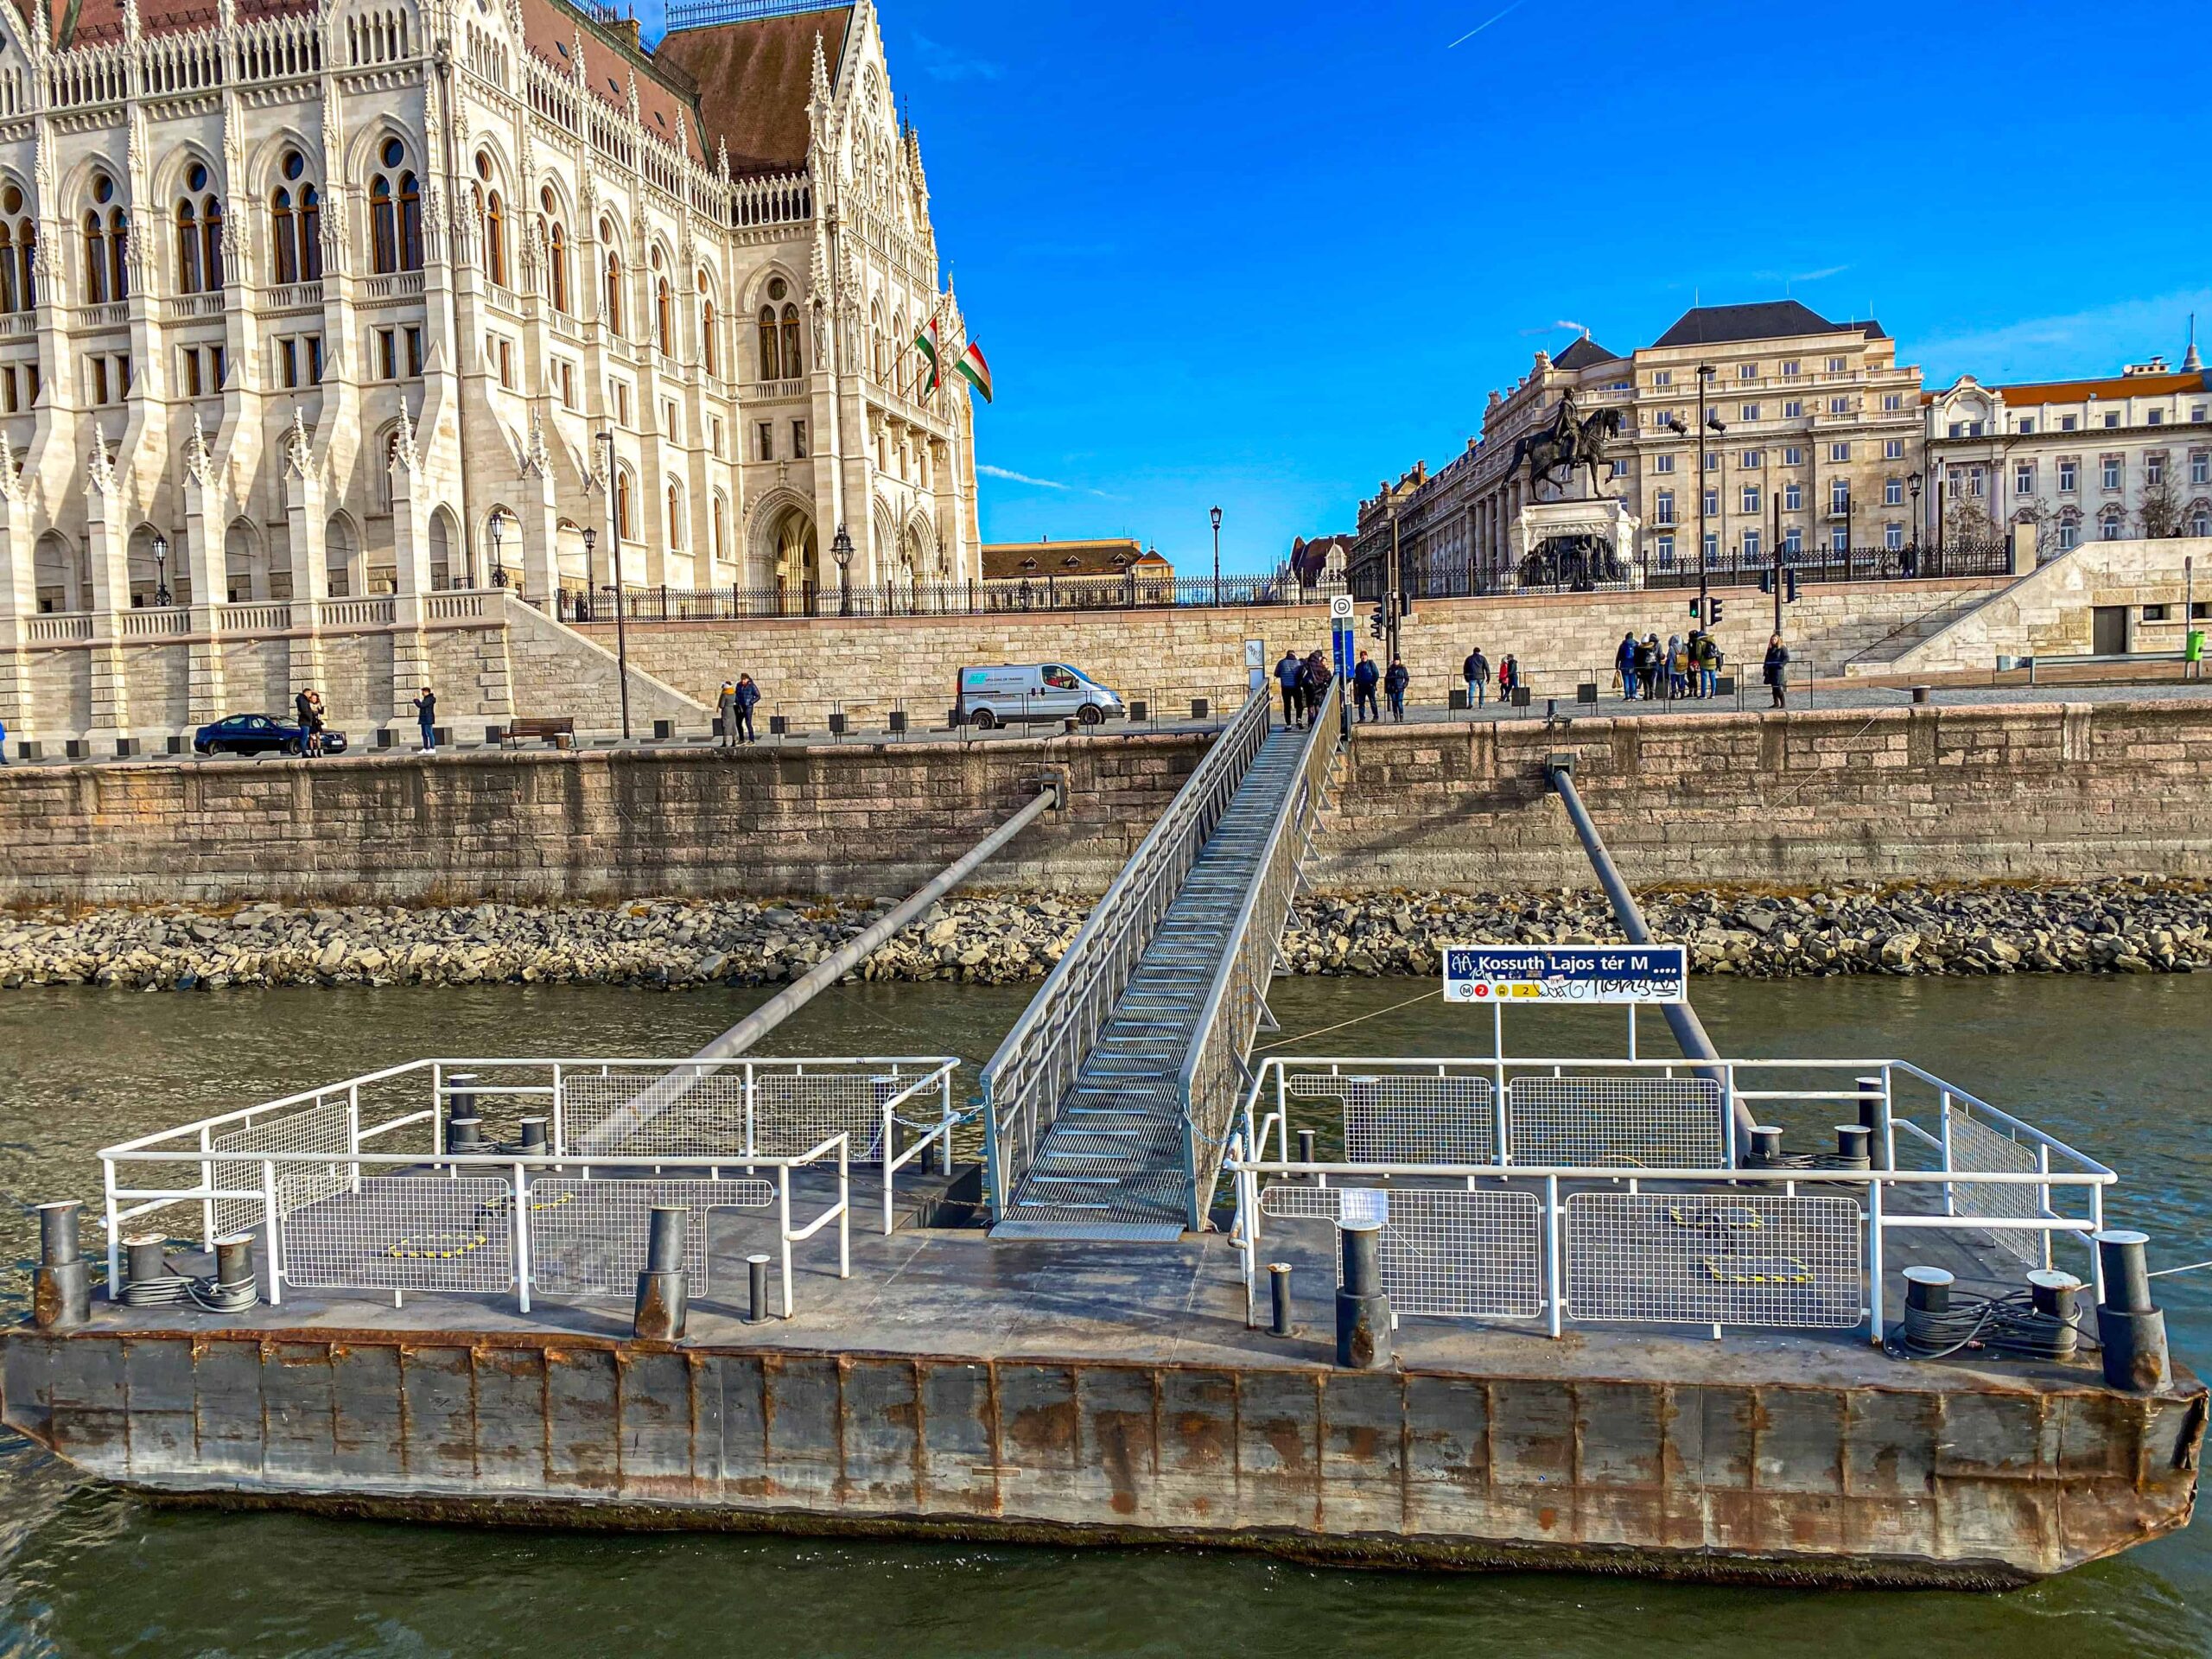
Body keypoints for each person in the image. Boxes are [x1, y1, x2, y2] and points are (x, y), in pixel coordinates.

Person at [1275, 650, 1304, 728]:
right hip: (1296, 687)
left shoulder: (1281, 663)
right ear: (1294, 655)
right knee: (1299, 704)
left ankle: (1288, 724)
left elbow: (1276, 674)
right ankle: (1299, 719)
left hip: (1285, 687)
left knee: (1287, 706)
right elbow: (1302, 674)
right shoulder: (1299, 663)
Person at [1300, 650, 1331, 724]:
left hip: (1309, 689)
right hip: (1319, 689)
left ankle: (1311, 722)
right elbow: (1328, 677)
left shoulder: (1307, 665)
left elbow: (1301, 675)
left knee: (1310, 705)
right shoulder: (1321, 666)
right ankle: (1318, 722)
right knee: (1318, 705)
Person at [1352, 651, 1381, 722]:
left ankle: (1376, 716)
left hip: (1370, 686)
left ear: (1367, 656)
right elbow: (1356, 675)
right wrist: (1357, 683)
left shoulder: (1371, 663)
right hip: (1362, 686)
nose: (1363, 657)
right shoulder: (1358, 665)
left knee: (1372, 701)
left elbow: (1376, 674)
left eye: (1365, 655)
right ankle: (1362, 718)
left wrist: (1373, 682)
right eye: (1362, 656)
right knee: (1361, 703)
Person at [1764, 634, 1790, 708]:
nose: (1773, 641)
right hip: (1770, 669)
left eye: (1775, 639)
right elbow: (1767, 658)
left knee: (1778, 687)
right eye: (1772, 639)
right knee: (1773, 688)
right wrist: (1765, 667)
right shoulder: (1770, 649)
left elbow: (1787, 658)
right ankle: (1776, 703)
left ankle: (1783, 703)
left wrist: (1781, 665)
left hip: (1777, 670)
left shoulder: (1782, 648)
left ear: (1778, 640)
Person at [734, 673, 761, 741]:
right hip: (740, 706)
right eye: (742, 679)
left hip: (748, 707)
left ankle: (751, 740)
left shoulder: (752, 686)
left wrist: (751, 702)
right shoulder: (738, 685)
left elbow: (758, 696)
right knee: (738, 723)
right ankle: (741, 739)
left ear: (747, 679)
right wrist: (736, 701)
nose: (743, 681)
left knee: (748, 723)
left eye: (744, 680)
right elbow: (736, 694)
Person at [1463, 645, 1491, 709]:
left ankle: (1471, 703)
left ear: (1473, 652)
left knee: (1471, 690)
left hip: (1472, 677)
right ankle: (1481, 704)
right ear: (1479, 652)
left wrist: (1466, 677)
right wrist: (1488, 677)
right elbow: (1487, 668)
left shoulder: (1469, 658)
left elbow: (1465, 669)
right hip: (1481, 676)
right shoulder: (1482, 658)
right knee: (1482, 690)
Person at [412, 685, 437, 753]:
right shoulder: (426, 699)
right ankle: (425, 748)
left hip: (428, 718)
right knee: (424, 734)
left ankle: (432, 748)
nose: (422, 693)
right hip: (424, 718)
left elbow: (422, 705)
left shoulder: (429, 699)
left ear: (426, 692)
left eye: (423, 692)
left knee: (429, 733)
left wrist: (416, 700)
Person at [1384, 656, 1409, 721]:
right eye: (1395, 660)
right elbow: (1387, 679)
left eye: (1397, 660)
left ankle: (1401, 716)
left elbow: (1406, 678)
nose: (1396, 661)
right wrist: (1388, 687)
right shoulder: (1390, 669)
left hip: (1400, 688)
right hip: (1392, 689)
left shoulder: (1402, 668)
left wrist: (1404, 685)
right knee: (1394, 703)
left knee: (1399, 703)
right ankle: (1396, 718)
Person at [1615, 630, 1638, 700]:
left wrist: (1617, 665)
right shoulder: (1636, 644)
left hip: (1624, 665)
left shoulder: (1623, 645)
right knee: (1633, 680)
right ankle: (1633, 695)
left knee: (1626, 680)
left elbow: (1618, 656)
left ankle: (1627, 696)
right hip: (1633, 665)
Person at [717, 680, 741, 747]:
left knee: (725, 726)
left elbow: (721, 705)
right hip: (732, 710)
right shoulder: (733, 693)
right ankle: (734, 741)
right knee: (733, 726)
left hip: (726, 711)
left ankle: (724, 742)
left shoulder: (725, 694)